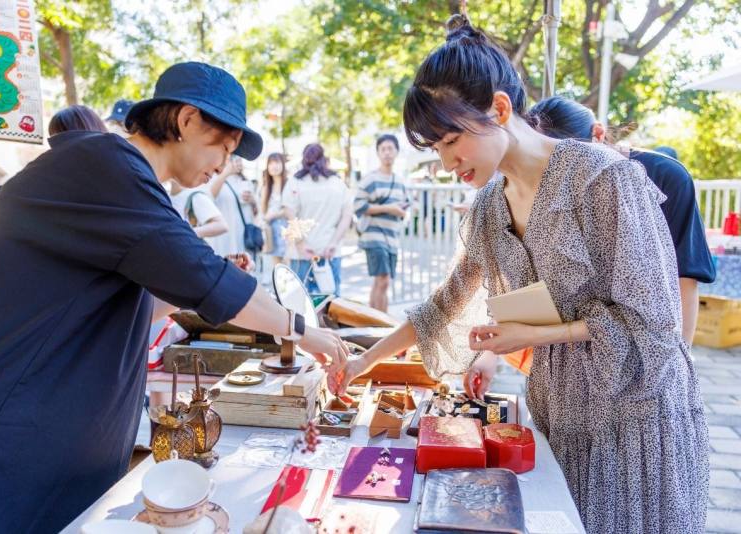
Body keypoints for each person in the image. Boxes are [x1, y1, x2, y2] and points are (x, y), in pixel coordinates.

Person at [335, 16, 708, 533]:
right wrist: (365, 361)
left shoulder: (603, 178)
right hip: (561, 413)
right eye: (436, 150)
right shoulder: (489, 206)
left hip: (636, 420)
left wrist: (534, 335)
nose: (446, 164)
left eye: (449, 142)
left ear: (500, 109)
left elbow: (657, 325)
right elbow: (445, 304)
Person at [0, 62, 348, 534]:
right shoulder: (107, 166)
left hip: (37, 445)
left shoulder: (120, 175)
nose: (224, 163)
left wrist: (192, 295)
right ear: (188, 120)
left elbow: (124, 307)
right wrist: (305, 331)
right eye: (224, 146)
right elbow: (207, 277)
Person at [528, 95, 716, 344]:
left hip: (654, 336)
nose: (567, 174)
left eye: (573, 159)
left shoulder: (666, 176)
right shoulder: (549, 184)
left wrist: (683, 352)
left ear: (598, 133)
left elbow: (685, 274)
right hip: (577, 341)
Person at [283, 143, 353, 296]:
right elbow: (347, 216)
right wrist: (333, 243)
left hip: (301, 254)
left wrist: (301, 243)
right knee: (332, 307)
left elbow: (290, 216)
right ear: (324, 159)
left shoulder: (295, 182)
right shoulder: (338, 183)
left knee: (300, 305)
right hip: (330, 252)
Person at [354, 134, 410, 311]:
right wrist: (389, 209)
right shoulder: (370, 179)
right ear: (378, 153)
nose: (387, 153)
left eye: (390, 149)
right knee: (384, 281)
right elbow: (358, 206)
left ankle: (372, 323)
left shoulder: (400, 181)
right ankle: (383, 327)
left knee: (380, 281)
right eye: (383, 149)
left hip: (392, 238)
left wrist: (400, 210)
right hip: (373, 236)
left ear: (396, 152)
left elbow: (405, 206)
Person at [208, 154, 258, 257]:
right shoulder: (215, 177)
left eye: (240, 160)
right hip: (225, 235)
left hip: (243, 234)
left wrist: (253, 200)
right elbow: (210, 196)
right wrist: (225, 173)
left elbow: (256, 211)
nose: (238, 162)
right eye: (234, 159)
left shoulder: (246, 181)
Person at [260, 152, 289, 265]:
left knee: (290, 271)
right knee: (278, 272)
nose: (274, 166)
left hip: (288, 233)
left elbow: (293, 209)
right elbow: (263, 212)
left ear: (282, 164)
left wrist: (274, 215)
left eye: (277, 162)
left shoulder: (289, 184)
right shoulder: (266, 187)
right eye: (270, 163)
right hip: (272, 234)